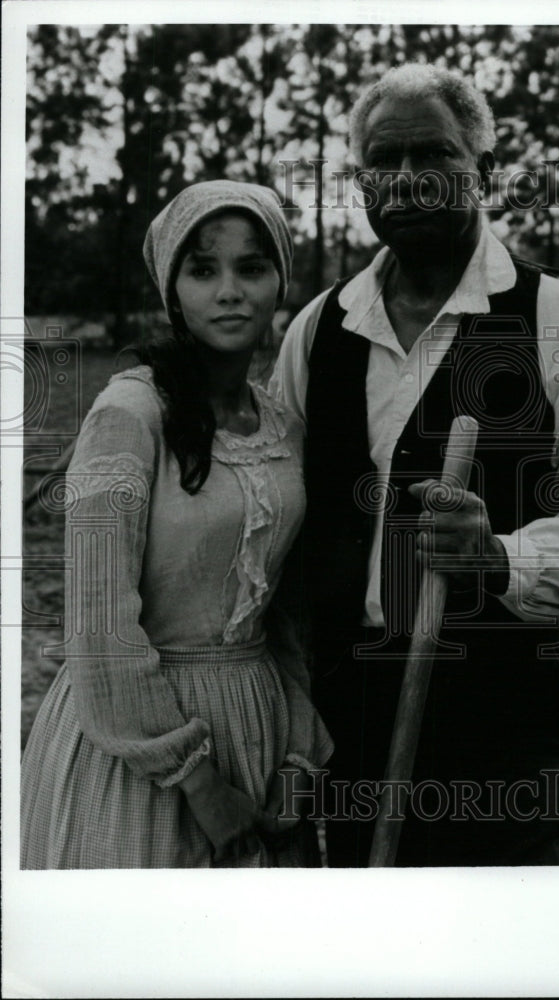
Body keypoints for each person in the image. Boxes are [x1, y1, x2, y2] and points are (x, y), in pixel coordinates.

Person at [271, 64, 559, 866]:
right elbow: (276, 523)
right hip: (358, 722)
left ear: (481, 173)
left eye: (433, 157)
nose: (407, 180)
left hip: (511, 727)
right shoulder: (317, 333)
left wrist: (501, 556)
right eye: (385, 161)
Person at [21, 180, 332, 869]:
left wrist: (300, 752)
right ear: (172, 289)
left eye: (251, 267)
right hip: (141, 749)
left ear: (280, 280)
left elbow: (287, 612)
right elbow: (99, 625)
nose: (229, 291)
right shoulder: (128, 416)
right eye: (203, 269)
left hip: (256, 724)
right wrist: (196, 780)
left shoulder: (282, 425)